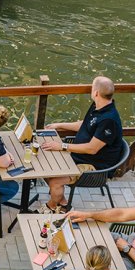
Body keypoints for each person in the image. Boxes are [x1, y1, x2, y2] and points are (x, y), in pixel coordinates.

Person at [41, 76, 125, 211]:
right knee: (45, 167)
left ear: (96, 93)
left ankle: (51, 207)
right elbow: (85, 124)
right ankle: (62, 202)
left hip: (95, 167)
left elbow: (92, 149)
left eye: (92, 88)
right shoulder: (98, 106)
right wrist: (59, 125)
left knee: (55, 181)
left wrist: (62, 146)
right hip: (79, 156)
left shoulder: (109, 120)